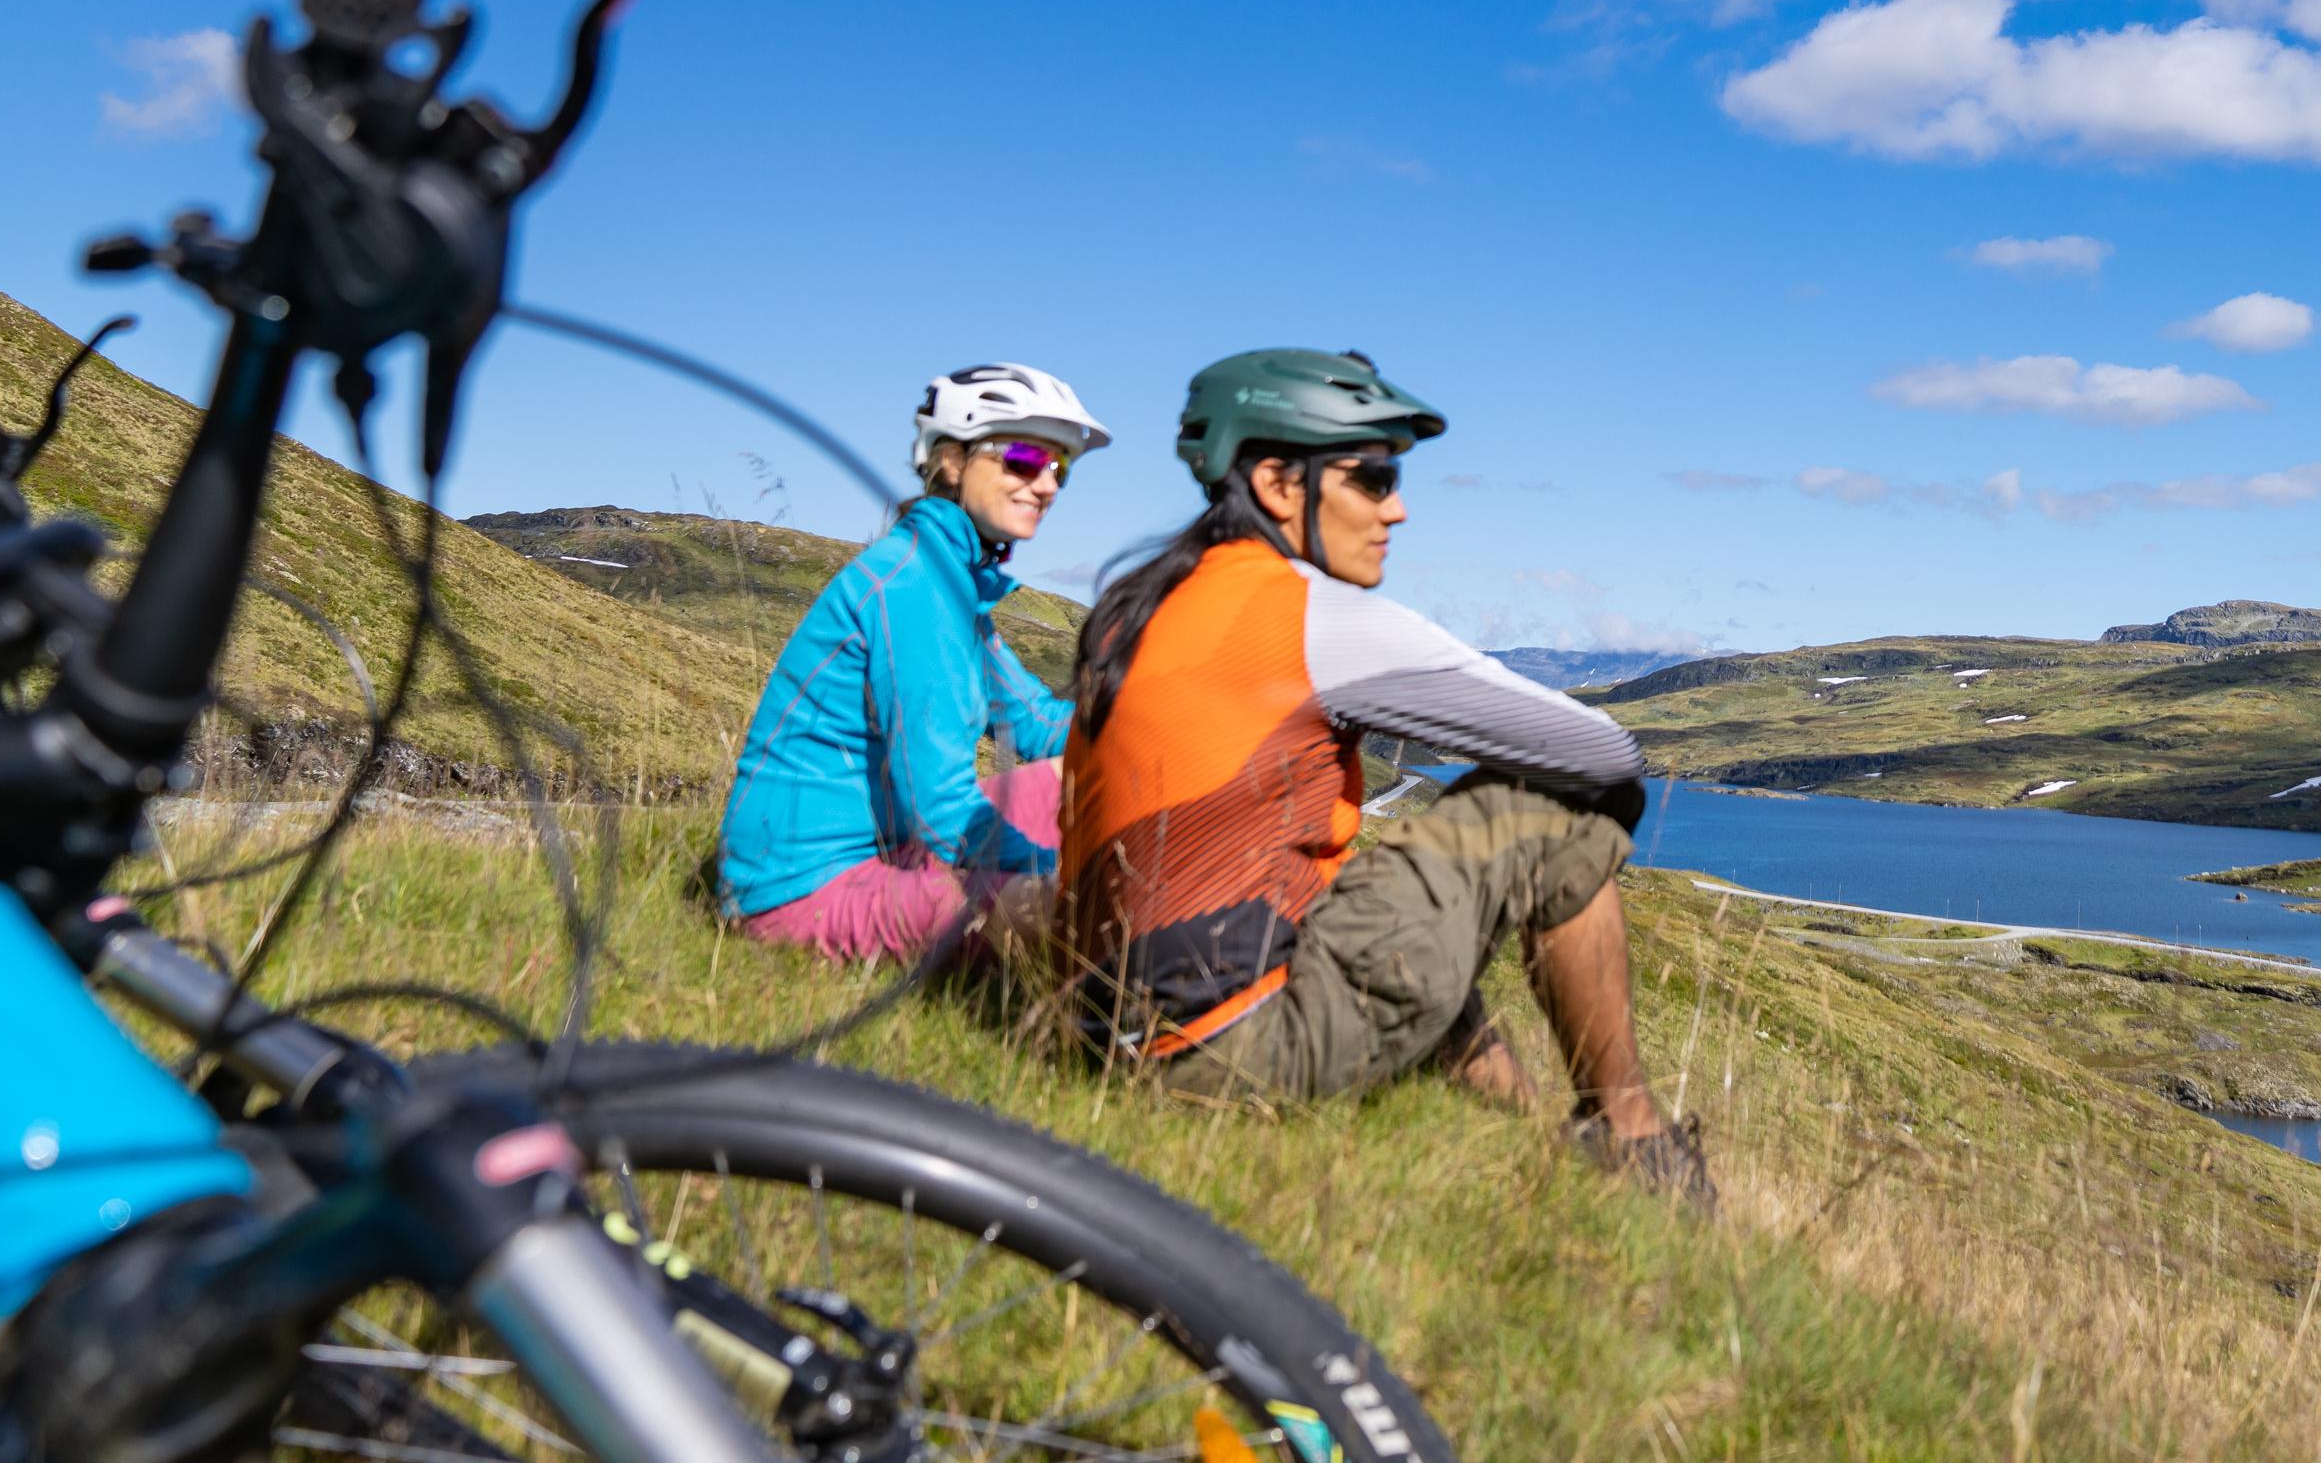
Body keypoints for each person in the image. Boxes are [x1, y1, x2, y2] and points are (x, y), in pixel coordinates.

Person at [1062, 348, 1708, 1203]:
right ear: (1278, 485)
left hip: (1104, 1038)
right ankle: (1633, 1144)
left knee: (1377, 881)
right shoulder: (1309, 615)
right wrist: (1595, 820)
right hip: (1235, 1058)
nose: (1397, 510)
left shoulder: (1136, 607)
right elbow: (1601, 753)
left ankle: (1516, 1133)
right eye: (1371, 477)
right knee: (1551, 817)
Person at [718, 363, 1111, 962]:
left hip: (886, 853)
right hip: (802, 892)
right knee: (1088, 911)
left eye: (1060, 467)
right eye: (1026, 459)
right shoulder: (914, 586)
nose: (1048, 485)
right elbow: (942, 807)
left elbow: (1038, 725)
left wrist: (1160, 731)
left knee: (1079, 777)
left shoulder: (948, 582)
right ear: (952, 461)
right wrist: (1063, 875)